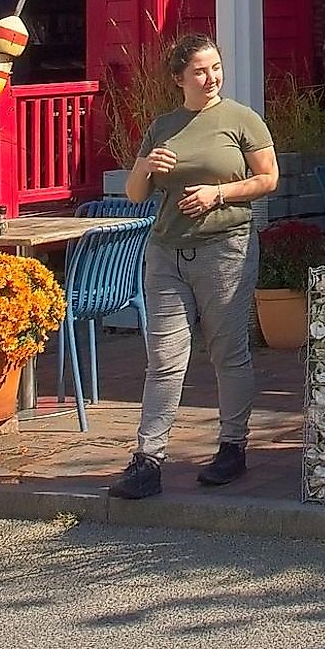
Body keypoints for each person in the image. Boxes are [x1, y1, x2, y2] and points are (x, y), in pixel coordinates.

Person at [109, 34, 280, 500]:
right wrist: (145, 165)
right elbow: (135, 194)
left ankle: (232, 447)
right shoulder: (164, 125)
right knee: (164, 360)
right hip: (166, 251)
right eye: (200, 71)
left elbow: (268, 178)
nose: (211, 78)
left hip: (225, 248)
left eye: (216, 68)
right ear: (178, 79)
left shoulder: (241, 119)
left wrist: (218, 194)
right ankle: (147, 460)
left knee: (228, 352)